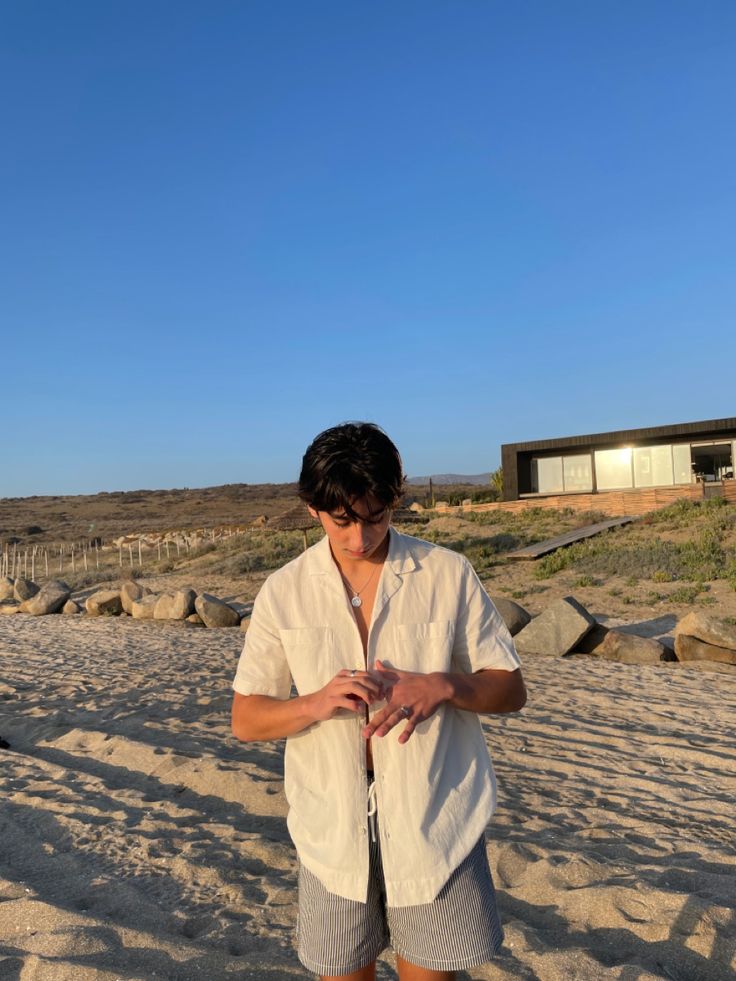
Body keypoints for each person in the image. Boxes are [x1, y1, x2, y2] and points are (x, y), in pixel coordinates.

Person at [231, 422, 526, 981]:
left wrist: (445, 685)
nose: (359, 538)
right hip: (329, 830)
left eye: (375, 517)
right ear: (313, 508)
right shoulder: (284, 591)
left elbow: (511, 687)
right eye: (342, 521)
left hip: (435, 819)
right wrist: (314, 702)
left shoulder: (447, 572)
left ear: (395, 500)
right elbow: (246, 718)